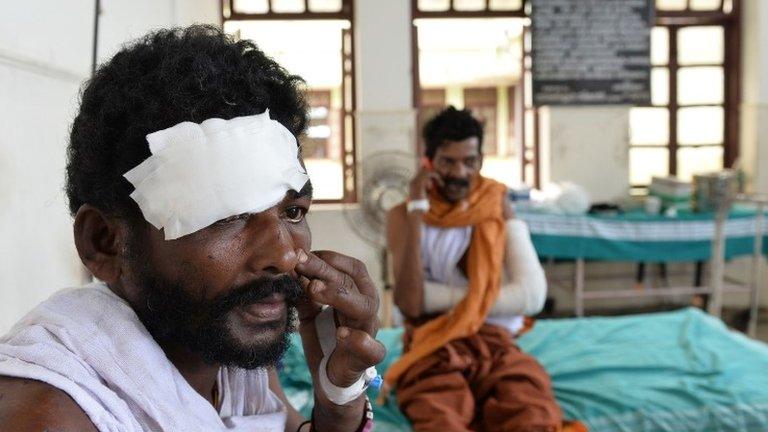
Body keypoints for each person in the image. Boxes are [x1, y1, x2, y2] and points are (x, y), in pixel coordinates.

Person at [0, 25, 384, 432]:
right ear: (106, 243)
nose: (286, 255)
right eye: (228, 216)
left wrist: (340, 400)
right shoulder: (52, 417)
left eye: (292, 212)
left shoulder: (222, 350)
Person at [385, 107, 585, 432]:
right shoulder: (403, 215)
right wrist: (417, 209)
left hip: (494, 340)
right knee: (440, 418)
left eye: (470, 161)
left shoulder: (495, 206)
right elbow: (409, 303)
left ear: (481, 159)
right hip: (433, 341)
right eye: (448, 161)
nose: (460, 172)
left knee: (531, 411)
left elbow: (532, 296)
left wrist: (452, 300)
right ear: (429, 161)